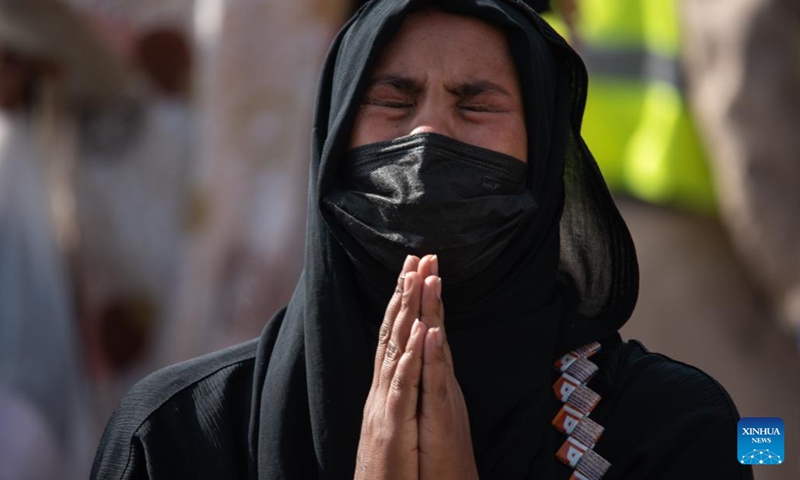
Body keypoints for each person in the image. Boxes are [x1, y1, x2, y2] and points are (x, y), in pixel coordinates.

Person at [91, 1, 753, 479]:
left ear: (545, 155)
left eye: (476, 103)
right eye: (394, 100)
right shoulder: (174, 436)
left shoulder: (680, 432)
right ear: (333, 143)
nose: (430, 135)